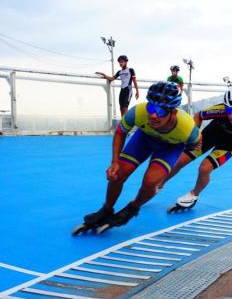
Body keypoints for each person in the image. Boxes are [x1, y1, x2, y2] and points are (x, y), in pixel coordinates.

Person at [75, 81, 201, 234]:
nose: (154, 115)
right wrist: (114, 162)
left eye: (161, 111)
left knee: (151, 181)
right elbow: (120, 132)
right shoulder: (137, 112)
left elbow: (194, 144)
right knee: (118, 174)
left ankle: (133, 208)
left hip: (169, 148)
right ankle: (107, 209)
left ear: (173, 112)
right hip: (144, 139)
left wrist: (189, 148)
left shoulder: (188, 129)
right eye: (151, 108)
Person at [160, 86, 232, 212]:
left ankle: (193, 195)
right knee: (179, 161)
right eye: (228, 110)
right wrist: (195, 136)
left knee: (204, 168)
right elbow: (198, 116)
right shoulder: (220, 110)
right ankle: (159, 184)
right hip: (211, 135)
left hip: (230, 144)